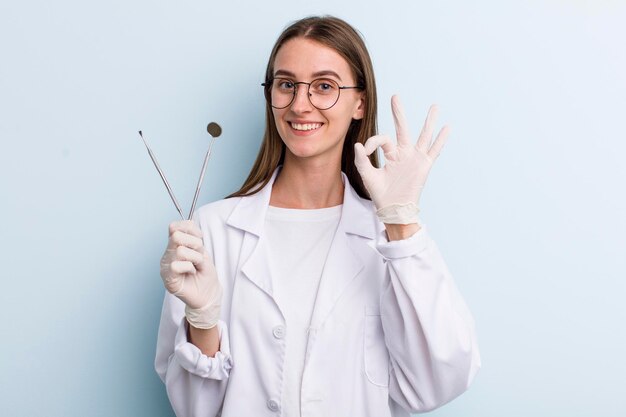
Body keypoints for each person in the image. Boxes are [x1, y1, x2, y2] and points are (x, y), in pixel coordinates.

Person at [155, 15, 480, 417]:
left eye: (324, 86)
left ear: (359, 102)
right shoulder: (212, 231)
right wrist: (203, 322)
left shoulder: (389, 237)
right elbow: (192, 409)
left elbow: (437, 384)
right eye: (286, 84)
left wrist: (401, 223)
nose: (299, 104)